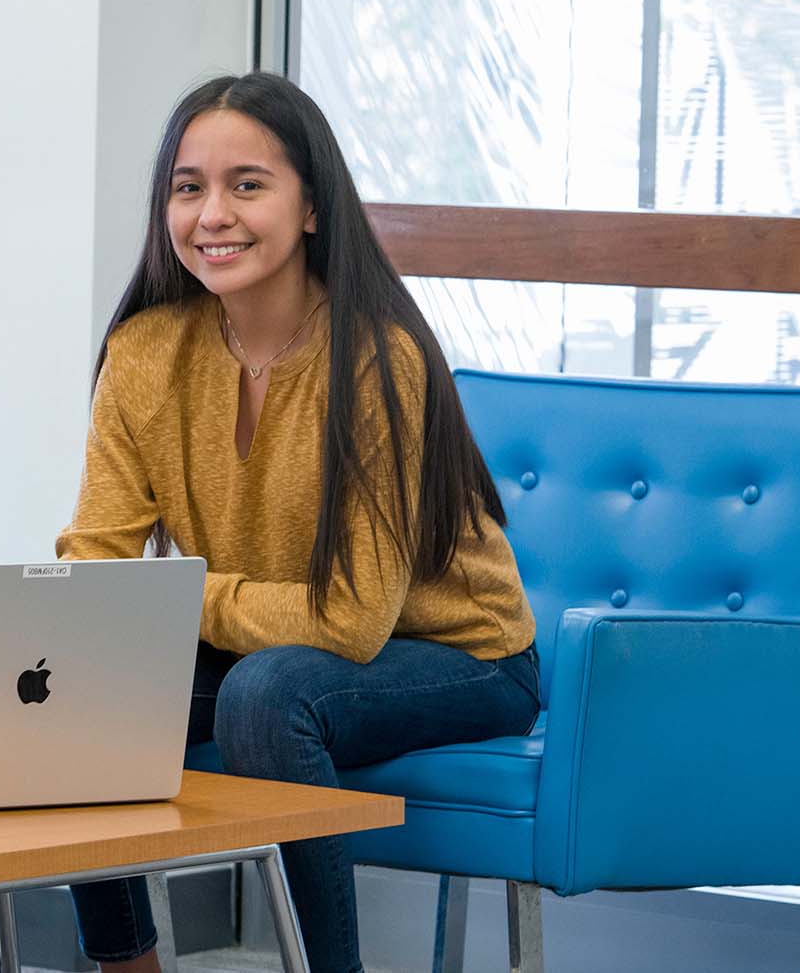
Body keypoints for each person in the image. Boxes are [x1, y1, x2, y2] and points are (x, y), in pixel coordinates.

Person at [61, 72, 539, 973]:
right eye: (188, 186)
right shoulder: (144, 353)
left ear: (311, 207)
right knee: (90, 684)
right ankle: (128, 965)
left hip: (463, 656)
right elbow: (97, 566)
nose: (213, 214)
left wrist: (171, 598)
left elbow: (351, 620)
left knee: (268, 693)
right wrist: (96, 618)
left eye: (248, 184)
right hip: (278, 644)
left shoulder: (377, 357)